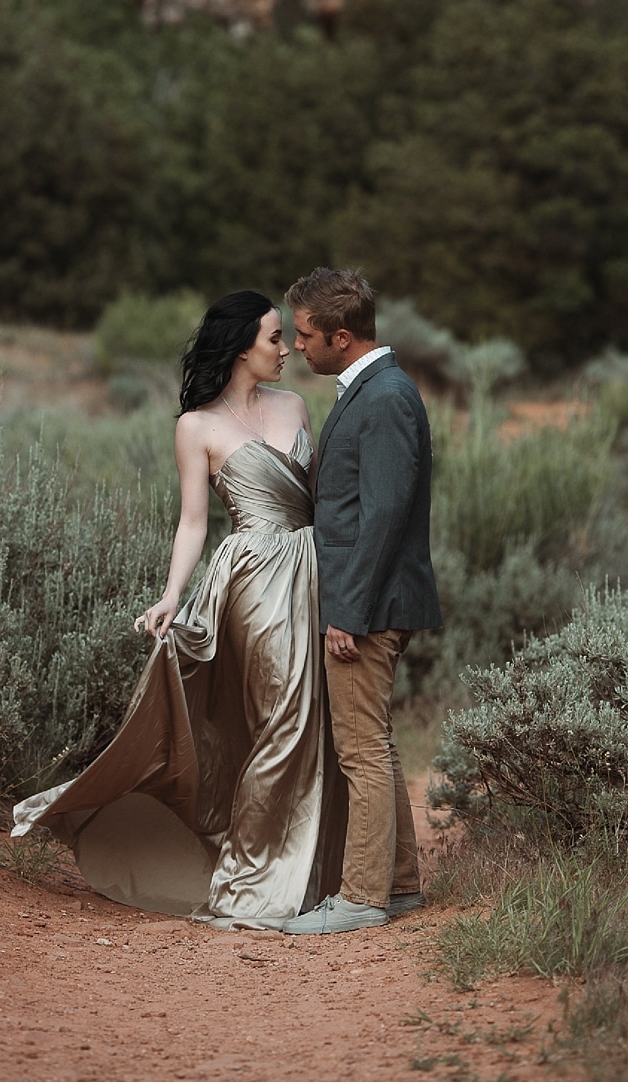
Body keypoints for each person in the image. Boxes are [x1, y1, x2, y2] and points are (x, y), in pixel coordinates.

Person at [11, 290, 344, 929]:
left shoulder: (296, 405)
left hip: (316, 569)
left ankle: (313, 872)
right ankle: (250, 881)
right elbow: (192, 523)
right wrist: (171, 596)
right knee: (283, 712)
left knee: (318, 716)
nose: (287, 350)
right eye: (275, 338)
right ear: (242, 345)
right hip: (254, 577)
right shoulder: (196, 427)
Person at [280, 267, 439, 935]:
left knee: (361, 750)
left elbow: (382, 514)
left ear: (341, 337)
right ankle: (398, 886)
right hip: (370, 599)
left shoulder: (383, 398)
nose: (295, 345)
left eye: (305, 334)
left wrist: (347, 609)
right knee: (377, 743)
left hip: (367, 606)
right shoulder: (373, 388)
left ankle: (361, 897)